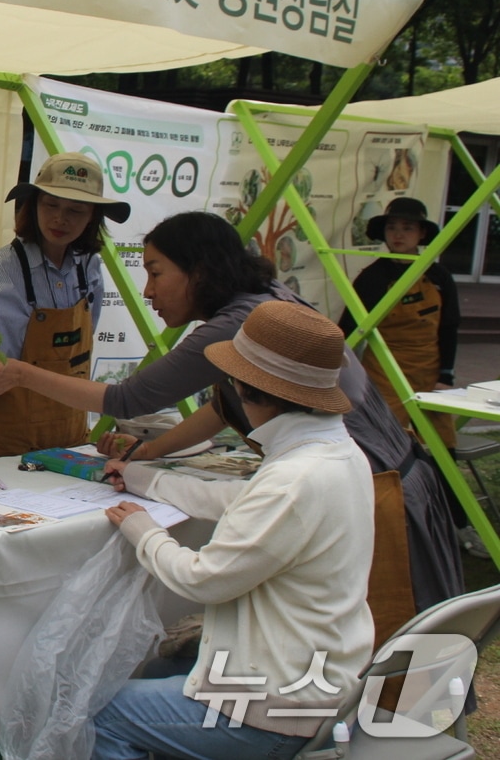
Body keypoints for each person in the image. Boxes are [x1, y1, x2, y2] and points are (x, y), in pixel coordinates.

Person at [0, 210, 462, 613]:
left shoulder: (241, 322)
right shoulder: (265, 300)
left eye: (157, 272)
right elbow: (228, 407)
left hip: (383, 493)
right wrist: (150, 451)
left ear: (199, 270)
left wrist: (22, 374)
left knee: (390, 649)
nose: (147, 290)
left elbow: (128, 400)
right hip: (386, 480)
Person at [92, 300, 374, 760]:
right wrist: (148, 478)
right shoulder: (336, 454)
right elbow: (243, 503)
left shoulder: (292, 480)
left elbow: (204, 578)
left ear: (248, 391)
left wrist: (143, 531)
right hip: (323, 684)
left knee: (104, 712)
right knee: (161, 666)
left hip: (272, 709)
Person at [0, 152, 129, 458]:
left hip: (71, 440)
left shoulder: (88, 266)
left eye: (75, 211)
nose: (60, 219)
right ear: (33, 205)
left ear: (92, 217)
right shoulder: (6, 266)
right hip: (9, 448)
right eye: (50, 205)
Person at [340, 196, 460, 448]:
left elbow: (449, 327)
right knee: (381, 439)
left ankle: (443, 487)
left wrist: (446, 376)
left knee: (441, 443)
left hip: (429, 369)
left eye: (407, 228)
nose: (398, 234)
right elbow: (349, 327)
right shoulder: (372, 277)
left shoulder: (438, 276)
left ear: (421, 233)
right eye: (392, 227)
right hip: (383, 370)